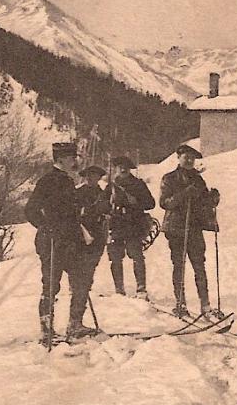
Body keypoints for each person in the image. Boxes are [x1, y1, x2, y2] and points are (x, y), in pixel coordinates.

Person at [25, 142, 96, 341]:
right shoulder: (47, 180)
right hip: (52, 242)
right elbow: (30, 210)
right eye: (72, 157)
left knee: (81, 280)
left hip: (70, 242)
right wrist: (47, 227)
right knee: (50, 284)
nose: (75, 160)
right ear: (61, 159)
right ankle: (46, 331)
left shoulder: (67, 180)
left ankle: (75, 325)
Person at [159, 144, 220, 318]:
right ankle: (180, 303)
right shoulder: (169, 178)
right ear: (178, 158)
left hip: (194, 228)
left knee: (199, 266)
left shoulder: (198, 180)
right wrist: (184, 194)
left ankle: (205, 305)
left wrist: (213, 199)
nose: (189, 161)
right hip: (176, 228)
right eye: (186, 157)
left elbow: (204, 202)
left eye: (192, 158)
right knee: (179, 265)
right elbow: (164, 203)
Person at [105, 156, 155, 298]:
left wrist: (137, 202)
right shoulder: (112, 186)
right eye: (120, 167)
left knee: (137, 256)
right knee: (115, 257)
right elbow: (102, 204)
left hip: (134, 225)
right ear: (116, 169)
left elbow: (150, 203)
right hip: (116, 225)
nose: (122, 169)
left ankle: (141, 289)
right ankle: (119, 289)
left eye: (125, 167)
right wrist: (107, 208)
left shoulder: (138, 185)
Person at [76, 165, 110, 299]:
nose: (90, 178)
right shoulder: (77, 192)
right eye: (88, 175)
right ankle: (76, 286)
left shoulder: (103, 194)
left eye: (93, 175)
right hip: (81, 230)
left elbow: (108, 210)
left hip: (97, 231)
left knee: (93, 260)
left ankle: (87, 285)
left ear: (99, 178)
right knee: (79, 259)